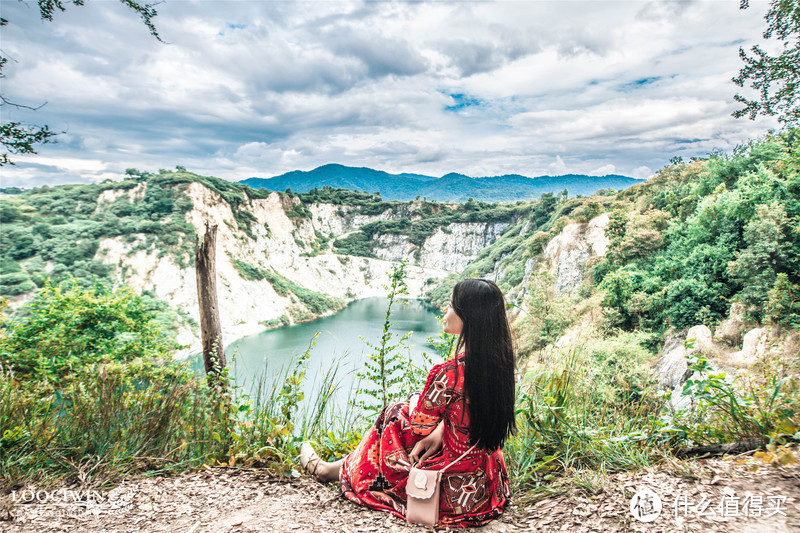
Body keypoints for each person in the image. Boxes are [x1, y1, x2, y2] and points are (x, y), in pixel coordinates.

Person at [299, 278, 516, 528]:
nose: (445, 311)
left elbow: (418, 427)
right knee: (407, 419)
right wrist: (441, 429)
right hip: (485, 490)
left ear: (470, 316)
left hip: (447, 492)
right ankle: (337, 468)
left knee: (393, 413)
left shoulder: (448, 373)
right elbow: (468, 413)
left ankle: (332, 471)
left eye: (451, 305)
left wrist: (415, 400)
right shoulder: (499, 363)